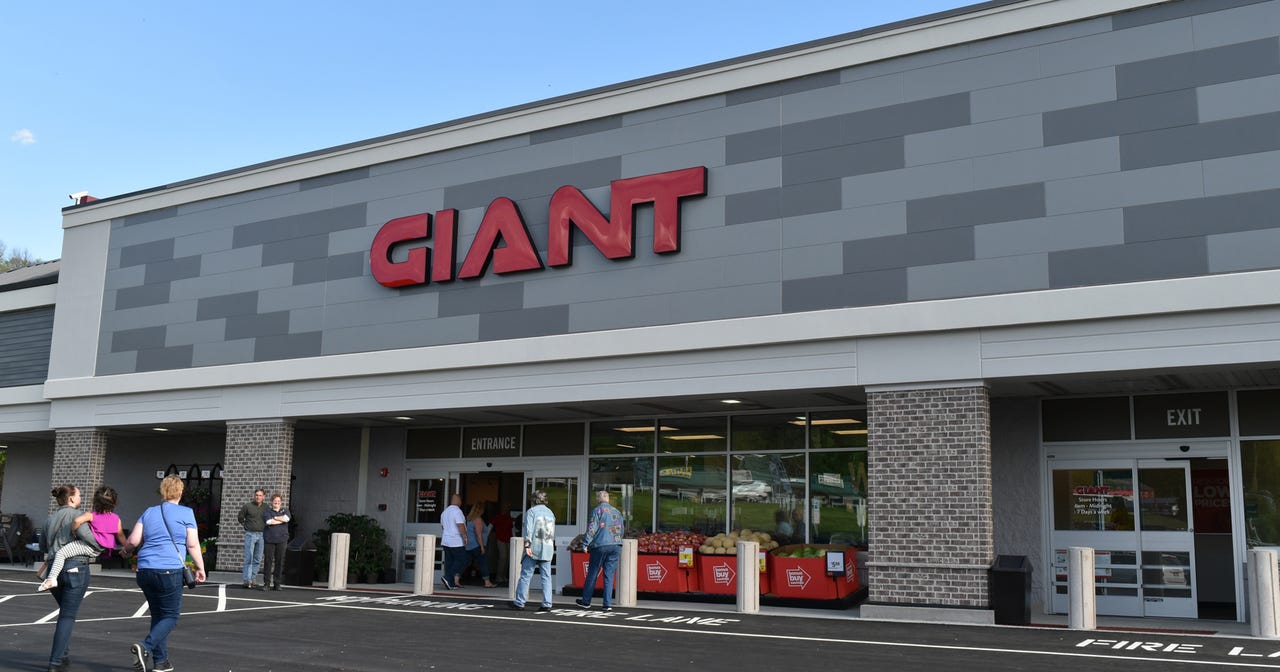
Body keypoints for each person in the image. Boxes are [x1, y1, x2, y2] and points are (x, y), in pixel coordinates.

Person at [125, 474, 206, 672]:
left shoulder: (149, 512)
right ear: (180, 492)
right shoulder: (186, 513)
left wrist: (125, 550)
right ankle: (145, 647)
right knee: (171, 616)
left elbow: (134, 541)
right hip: (169, 569)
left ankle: (161, 662)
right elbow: (193, 544)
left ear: (163, 491)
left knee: (158, 615)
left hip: (144, 569)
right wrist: (200, 568)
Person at [39, 486, 127, 592]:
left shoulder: (90, 515)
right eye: (79, 495)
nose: (80, 497)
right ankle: (51, 579)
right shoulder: (116, 519)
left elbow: (76, 521)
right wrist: (127, 548)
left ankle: (51, 579)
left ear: (95, 501)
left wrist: (73, 530)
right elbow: (120, 535)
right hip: (93, 553)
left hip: (70, 555)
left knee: (61, 553)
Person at [41, 484, 89, 672]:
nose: (80, 498)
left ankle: (62, 656)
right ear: (71, 498)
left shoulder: (49, 518)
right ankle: (55, 662)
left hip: (53, 569)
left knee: (65, 613)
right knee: (67, 616)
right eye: (79, 495)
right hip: (75, 567)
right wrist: (100, 545)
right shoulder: (77, 515)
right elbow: (88, 537)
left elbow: (44, 546)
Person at [575, 490, 623, 612]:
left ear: (598, 499)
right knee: (609, 575)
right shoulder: (617, 512)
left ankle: (586, 601)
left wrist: (585, 543)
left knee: (593, 573)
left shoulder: (597, 510)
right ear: (608, 499)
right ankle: (607, 604)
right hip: (615, 545)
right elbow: (621, 529)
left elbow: (592, 528)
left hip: (600, 545)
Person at [511, 490, 556, 613]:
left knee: (526, 575)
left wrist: (527, 546)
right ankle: (547, 603)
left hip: (534, 547)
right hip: (547, 547)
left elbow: (528, 531)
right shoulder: (550, 513)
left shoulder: (531, 512)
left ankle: (520, 602)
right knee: (546, 577)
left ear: (534, 500)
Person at [236, 489, 266, 589]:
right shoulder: (247, 506)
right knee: (249, 557)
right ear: (254, 496)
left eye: (260, 495)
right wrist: (245, 526)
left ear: (263, 497)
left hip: (262, 535)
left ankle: (253, 579)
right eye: (257, 495)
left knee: (257, 558)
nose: (258, 497)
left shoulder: (266, 507)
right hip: (250, 534)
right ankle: (247, 580)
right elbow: (240, 517)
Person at [463, 502, 497, 588]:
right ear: (480, 510)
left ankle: (455, 579)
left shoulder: (468, 519)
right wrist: (482, 547)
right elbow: (479, 535)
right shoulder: (477, 519)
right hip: (477, 545)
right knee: (483, 563)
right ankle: (487, 582)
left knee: (465, 562)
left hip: (469, 545)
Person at [261, 493, 291, 591]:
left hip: (282, 540)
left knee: (279, 561)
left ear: (281, 502)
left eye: (278, 501)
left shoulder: (285, 510)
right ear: (272, 502)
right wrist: (281, 520)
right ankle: (266, 583)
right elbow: (269, 522)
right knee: (268, 561)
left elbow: (287, 519)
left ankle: (277, 584)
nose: (276, 503)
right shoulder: (267, 512)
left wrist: (276, 518)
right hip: (269, 540)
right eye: (275, 501)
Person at [439, 493, 467, 590]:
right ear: (458, 501)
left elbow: (442, 526)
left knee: (449, 561)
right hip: (456, 541)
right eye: (460, 501)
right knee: (462, 560)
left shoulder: (444, 512)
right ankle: (448, 577)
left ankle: (450, 583)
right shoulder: (457, 511)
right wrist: (465, 537)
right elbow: (460, 525)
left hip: (446, 540)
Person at [491, 503, 514, 584]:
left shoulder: (509, 518)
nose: (506, 509)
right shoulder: (497, 517)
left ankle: (503, 576)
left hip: (509, 540)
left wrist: (514, 539)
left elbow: (512, 529)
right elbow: (490, 526)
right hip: (500, 539)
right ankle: (499, 576)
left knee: (507, 558)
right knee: (503, 558)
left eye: (507, 508)